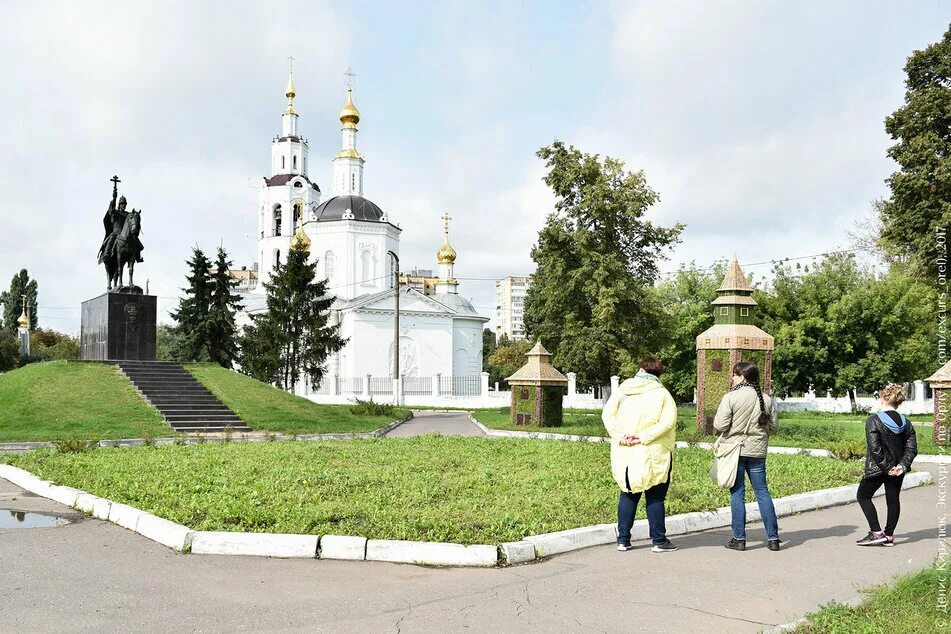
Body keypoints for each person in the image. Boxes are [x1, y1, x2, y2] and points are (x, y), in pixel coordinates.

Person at [602, 357, 678, 553]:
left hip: (625, 451)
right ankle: (659, 541)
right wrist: (643, 437)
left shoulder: (623, 390)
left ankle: (623, 539)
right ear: (659, 373)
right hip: (653, 452)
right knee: (655, 496)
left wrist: (621, 436)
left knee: (628, 493)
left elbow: (607, 415)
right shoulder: (662, 394)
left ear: (640, 369)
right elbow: (667, 423)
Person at [714, 361, 781, 552]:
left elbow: (720, 425)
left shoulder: (731, 397)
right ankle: (774, 539)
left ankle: (739, 538)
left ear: (742, 377)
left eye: (734, 375)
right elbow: (774, 427)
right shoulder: (766, 399)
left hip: (735, 451)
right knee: (762, 492)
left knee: (737, 493)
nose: (732, 378)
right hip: (758, 451)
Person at [856, 384, 918, 547]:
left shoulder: (873, 420)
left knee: (863, 495)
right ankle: (888, 535)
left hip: (878, 468)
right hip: (898, 470)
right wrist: (901, 466)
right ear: (898, 402)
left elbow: (875, 448)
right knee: (893, 500)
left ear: (883, 397)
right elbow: (911, 449)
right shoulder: (907, 423)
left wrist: (887, 467)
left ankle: (876, 533)